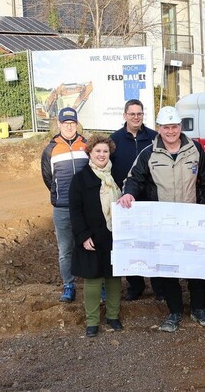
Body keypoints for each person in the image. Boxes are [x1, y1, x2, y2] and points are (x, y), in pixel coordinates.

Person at [117, 106, 205, 332]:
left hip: (191, 220)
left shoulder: (195, 150)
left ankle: (199, 309)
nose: (171, 131)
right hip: (164, 223)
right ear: (159, 129)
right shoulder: (148, 154)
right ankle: (174, 312)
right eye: (165, 127)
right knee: (169, 267)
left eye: (174, 126)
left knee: (195, 266)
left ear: (180, 127)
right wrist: (129, 193)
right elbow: (134, 178)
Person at [69, 134, 124, 337]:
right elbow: (75, 211)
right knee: (92, 280)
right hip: (91, 237)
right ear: (90, 153)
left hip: (113, 235)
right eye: (98, 151)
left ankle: (113, 316)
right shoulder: (80, 179)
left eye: (105, 151)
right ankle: (92, 321)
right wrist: (83, 236)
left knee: (113, 277)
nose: (102, 154)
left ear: (110, 154)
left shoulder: (116, 176)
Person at [109, 99, 158, 302]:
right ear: (125, 115)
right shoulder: (115, 140)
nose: (136, 117)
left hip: (153, 200)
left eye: (139, 114)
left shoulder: (154, 138)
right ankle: (135, 286)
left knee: (154, 244)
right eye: (132, 114)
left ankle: (159, 286)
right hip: (127, 202)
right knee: (131, 245)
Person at [40, 107, 88, 303]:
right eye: (65, 123)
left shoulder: (87, 145)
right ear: (59, 124)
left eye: (72, 123)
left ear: (76, 124)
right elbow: (48, 178)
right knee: (66, 249)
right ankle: (69, 285)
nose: (69, 127)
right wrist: (61, 195)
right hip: (62, 208)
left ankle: (96, 285)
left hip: (86, 208)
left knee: (90, 247)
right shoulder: (50, 150)